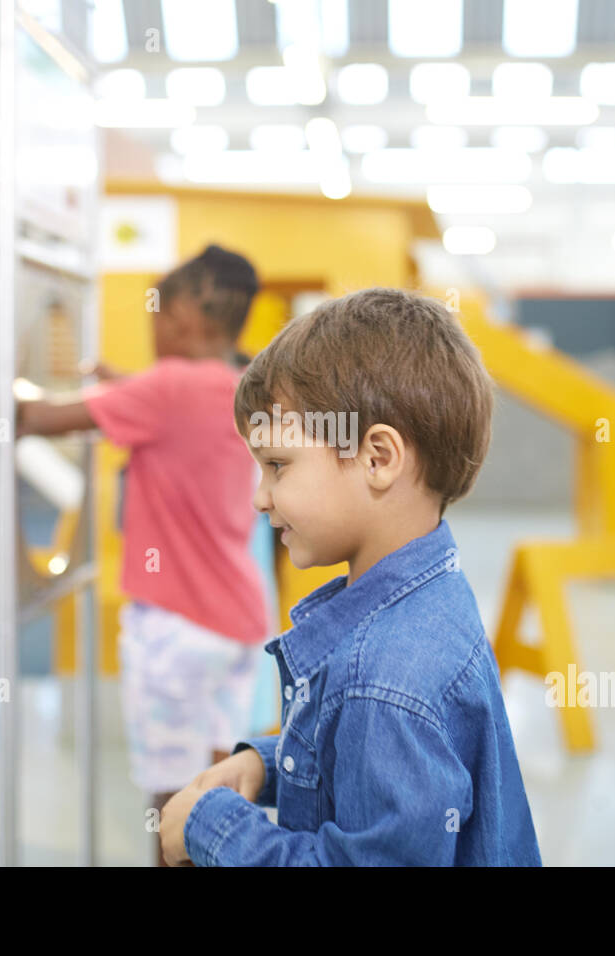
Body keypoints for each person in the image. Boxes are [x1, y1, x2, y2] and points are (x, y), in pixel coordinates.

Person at [157, 288, 543, 866]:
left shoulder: (384, 679)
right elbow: (367, 775)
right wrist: (266, 765)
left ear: (378, 458)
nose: (261, 497)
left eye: (278, 466)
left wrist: (209, 826)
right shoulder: (429, 595)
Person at [16, 245, 269, 866]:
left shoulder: (166, 386)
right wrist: (122, 381)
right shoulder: (238, 385)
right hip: (237, 623)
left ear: (185, 314)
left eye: (157, 312)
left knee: (172, 811)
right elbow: (172, 405)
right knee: (219, 792)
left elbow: (39, 417)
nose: (151, 326)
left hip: (176, 631)